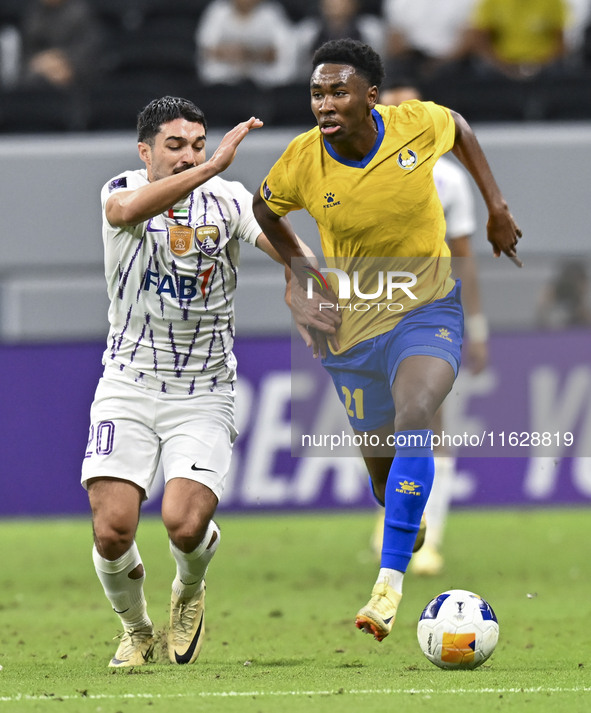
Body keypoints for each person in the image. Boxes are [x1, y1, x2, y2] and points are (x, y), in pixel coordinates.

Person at [253, 39, 521, 642]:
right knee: (383, 477)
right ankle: (405, 513)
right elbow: (264, 212)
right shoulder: (300, 162)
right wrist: (299, 274)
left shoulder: (413, 124)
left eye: (338, 91)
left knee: (416, 413)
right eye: (318, 92)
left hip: (428, 310)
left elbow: (458, 126)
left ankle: (389, 584)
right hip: (354, 328)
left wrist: (496, 205)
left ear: (370, 97)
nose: (325, 103)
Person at [81, 96, 295, 667]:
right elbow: (124, 215)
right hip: (127, 384)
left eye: (198, 145)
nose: (189, 156)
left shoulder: (227, 200)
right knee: (112, 530)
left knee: (183, 522)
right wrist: (212, 166)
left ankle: (190, 590)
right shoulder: (119, 189)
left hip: (203, 390)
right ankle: (137, 629)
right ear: (145, 150)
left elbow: (276, 241)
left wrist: (309, 276)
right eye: (175, 146)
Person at [370, 82, 490, 577]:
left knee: (425, 415)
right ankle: (395, 517)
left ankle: (430, 536)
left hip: (427, 310)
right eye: (392, 111)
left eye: (411, 111)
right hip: (371, 313)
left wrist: (476, 326)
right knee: (381, 424)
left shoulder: (448, 180)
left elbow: (463, 259)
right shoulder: (357, 172)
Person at [196, 0, 296, 87]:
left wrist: (253, 54)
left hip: (263, 80)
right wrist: (232, 52)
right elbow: (206, 47)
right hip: (223, 79)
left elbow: (284, 51)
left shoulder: (270, 13)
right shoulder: (219, 11)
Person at [468, 0, 569, 80]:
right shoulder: (491, 2)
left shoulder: (553, 2)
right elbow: (481, 39)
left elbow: (560, 42)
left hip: (544, 66)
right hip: (499, 65)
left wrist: (538, 66)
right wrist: (503, 66)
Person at [383, 0, 477, 81]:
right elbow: (395, 39)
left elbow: (470, 38)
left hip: (453, 60)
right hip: (412, 58)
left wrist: (437, 65)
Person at [21, 0, 103, 88]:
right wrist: (42, 63)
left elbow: (89, 47)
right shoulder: (33, 14)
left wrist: (64, 62)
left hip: (73, 71)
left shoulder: (81, 12)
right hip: (39, 73)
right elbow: (28, 50)